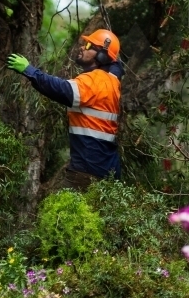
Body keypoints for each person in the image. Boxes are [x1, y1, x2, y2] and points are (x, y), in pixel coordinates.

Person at [7, 30, 122, 188]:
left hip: (87, 171)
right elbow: (116, 67)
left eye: (88, 45)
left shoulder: (95, 81)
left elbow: (61, 89)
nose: (82, 47)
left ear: (101, 56)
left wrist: (29, 70)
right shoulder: (112, 79)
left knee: (62, 211)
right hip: (106, 170)